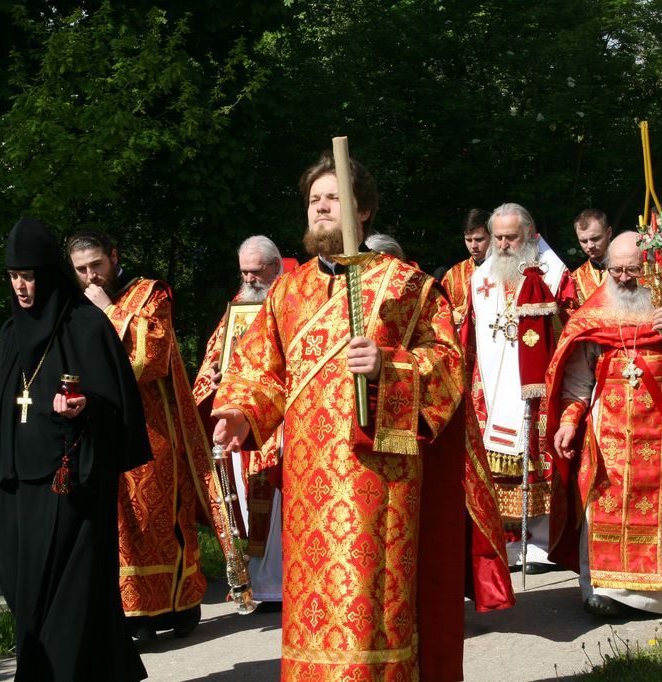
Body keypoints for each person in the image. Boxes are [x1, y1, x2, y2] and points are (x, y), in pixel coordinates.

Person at [211, 152, 512, 681]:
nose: (321, 208)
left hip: (378, 479)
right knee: (311, 607)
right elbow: (260, 370)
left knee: (370, 607)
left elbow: (448, 368)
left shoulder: (406, 285)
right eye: (314, 200)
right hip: (308, 483)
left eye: (334, 198)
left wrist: (389, 367)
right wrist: (241, 412)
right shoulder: (288, 291)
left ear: (364, 209)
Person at [0, 218, 149, 681]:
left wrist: (85, 408)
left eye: (29, 275)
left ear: (50, 275)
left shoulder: (87, 326)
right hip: (13, 492)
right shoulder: (10, 335)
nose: (20, 285)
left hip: (70, 492)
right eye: (13, 275)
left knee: (68, 604)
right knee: (29, 602)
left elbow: (119, 410)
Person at [546, 232, 662, 617]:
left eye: (632, 270)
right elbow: (578, 376)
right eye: (616, 270)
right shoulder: (594, 312)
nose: (624, 278)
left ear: (651, 269)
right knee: (604, 503)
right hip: (607, 426)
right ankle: (606, 589)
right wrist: (569, 421)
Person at [67, 230, 213, 640]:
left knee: (157, 519)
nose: (91, 276)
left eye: (97, 265)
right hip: (102, 428)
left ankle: (181, 605)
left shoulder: (149, 294)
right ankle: (134, 615)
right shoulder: (73, 304)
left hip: (153, 430)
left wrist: (108, 312)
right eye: (81, 269)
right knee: (119, 524)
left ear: (114, 257)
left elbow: (150, 359)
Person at [464, 202, 576, 573]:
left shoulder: (555, 275)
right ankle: (510, 540)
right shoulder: (480, 278)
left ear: (528, 234)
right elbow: (470, 335)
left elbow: (572, 329)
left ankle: (542, 542)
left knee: (538, 464)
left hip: (538, 387)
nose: (502, 245)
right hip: (491, 386)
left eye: (510, 237)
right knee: (497, 467)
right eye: (497, 237)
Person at [194, 235, 285, 607]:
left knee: (277, 505)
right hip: (239, 419)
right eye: (244, 272)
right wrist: (215, 378)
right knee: (244, 505)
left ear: (275, 266)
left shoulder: (291, 302)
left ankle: (278, 584)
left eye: (255, 271)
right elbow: (212, 359)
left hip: (277, 421)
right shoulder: (238, 307)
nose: (249, 279)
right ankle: (254, 582)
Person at [440, 208, 491, 327]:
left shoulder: (505, 270)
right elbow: (440, 311)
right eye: (468, 240)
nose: (473, 246)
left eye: (479, 239)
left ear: (492, 237)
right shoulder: (453, 275)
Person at [571, 208, 612, 305]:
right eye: (584, 241)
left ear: (609, 233)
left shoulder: (628, 269)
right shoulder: (575, 278)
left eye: (595, 238)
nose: (590, 246)